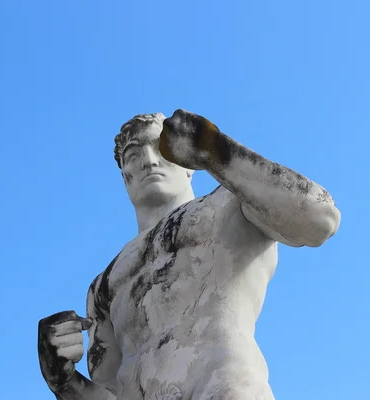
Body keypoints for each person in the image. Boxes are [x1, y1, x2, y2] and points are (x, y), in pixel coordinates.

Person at [37, 110, 341, 400]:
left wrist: (214, 149)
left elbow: (320, 218)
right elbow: (112, 392)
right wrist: (63, 381)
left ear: (186, 165)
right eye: (134, 154)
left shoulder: (231, 205)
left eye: (160, 147)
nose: (149, 161)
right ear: (124, 177)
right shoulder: (104, 284)